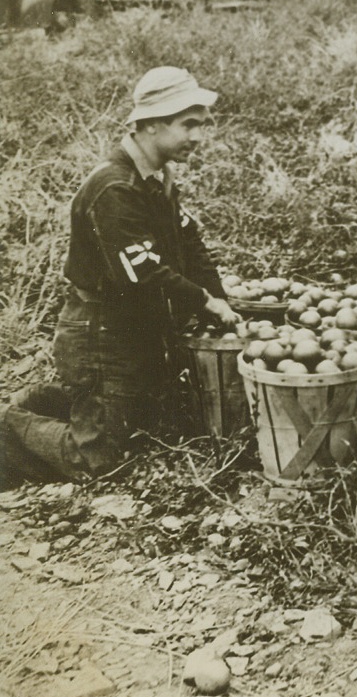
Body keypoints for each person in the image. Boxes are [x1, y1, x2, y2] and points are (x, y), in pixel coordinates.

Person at [0, 67, 238, 487]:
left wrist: (220, 300)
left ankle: (52, 402)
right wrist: (204, 301)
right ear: (149, 125)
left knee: (148, 423)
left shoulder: (155, 178)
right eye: (189, 125)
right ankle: (10, 429)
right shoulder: (115, 187)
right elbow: (143, 273)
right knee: (99, 459)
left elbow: (190, 244)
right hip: (100, 332)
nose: (199, 136)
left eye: (202, 125)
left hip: (130, 327)